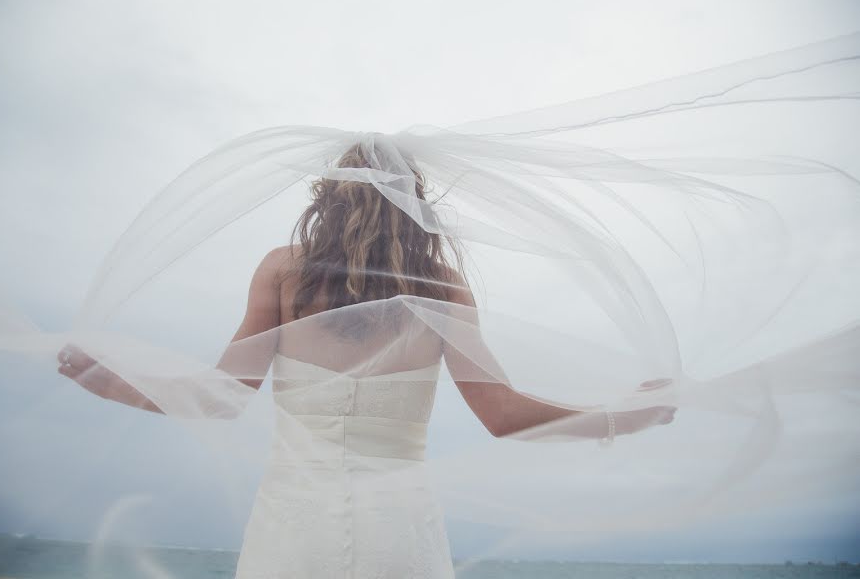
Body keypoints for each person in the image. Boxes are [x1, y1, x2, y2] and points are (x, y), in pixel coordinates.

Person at [57, 141, 676, 578]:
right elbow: (503, 414)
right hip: (399, 529)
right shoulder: (443, 285)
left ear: (329, 194)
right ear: (415, 200)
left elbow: (220, 398)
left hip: (292, 526)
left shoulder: (282, 270)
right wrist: (628, 415)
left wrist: (109, 382)